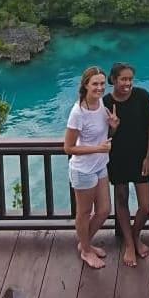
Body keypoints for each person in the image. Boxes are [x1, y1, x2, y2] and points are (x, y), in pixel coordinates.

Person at [64, 66, 119, 270]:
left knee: (104, 210)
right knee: (84, 212)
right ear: (85, 85)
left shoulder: (101, 104)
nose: (99, 87)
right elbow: (68, 147)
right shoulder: (78, 112)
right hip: (83, 170)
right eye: (95, 83)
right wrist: (99, 148)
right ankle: (86, 250)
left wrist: (114, 124)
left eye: (102, 83)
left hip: (100, 165)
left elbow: (104, 132)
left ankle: (84, 243)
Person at [104, 62, 149, 268]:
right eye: (123, 79)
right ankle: (130, 244)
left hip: (140, 157)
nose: (128, 83)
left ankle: (134, 236)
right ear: (114, 80)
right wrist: (113, 128)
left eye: (130, 79)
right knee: (122, 199)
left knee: (146, 206)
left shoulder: (142, 96)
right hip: (117, 158)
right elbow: (104, 136)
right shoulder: (105, 102)